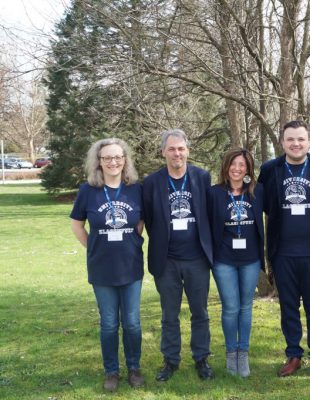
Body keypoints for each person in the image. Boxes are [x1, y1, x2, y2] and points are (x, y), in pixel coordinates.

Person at [258, 120, 310, 379]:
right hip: (283, 253)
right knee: (288, 307)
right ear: (282, 142)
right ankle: (293, 355)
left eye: (301, 139)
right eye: (290, 139)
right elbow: (262, 204)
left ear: (309, 140)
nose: (296, 144)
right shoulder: (270, 169)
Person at [70, 138, 145, 392]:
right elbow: (77, 224)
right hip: (101, 267)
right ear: (98, 162)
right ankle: (111, 371)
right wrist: (93, 247)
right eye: (107, 158)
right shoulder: (88, 190)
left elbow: (140, 221)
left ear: (125, 160)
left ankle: (134, 367)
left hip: (131, 265)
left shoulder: (136, 189)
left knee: (133, 322)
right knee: (109, 323)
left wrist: (131, 243)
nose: (113, 162)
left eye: (118, 157)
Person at [143, 129, 214, 381]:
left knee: (200, 312)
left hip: (197, 258)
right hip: (167, 260)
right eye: (172, 149)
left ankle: (201, 358)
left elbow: (208, 214)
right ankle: (170, 360)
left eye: (181, 148)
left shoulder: (202, 177)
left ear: (188, 151)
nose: (177, 153)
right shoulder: (152, 182)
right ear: (163, 152)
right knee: (169, 314)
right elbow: (150, 220)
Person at [209, 148, 264, 377]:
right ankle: (231, 353)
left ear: (248, 169)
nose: (237, 169)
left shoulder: (257, 191)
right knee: (230, 308)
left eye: (242, 165)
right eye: (233, 164)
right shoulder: (214, 193)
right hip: (224, 260)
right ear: (226, 167)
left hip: (250, 259)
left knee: (246, 307)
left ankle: (244, 354)